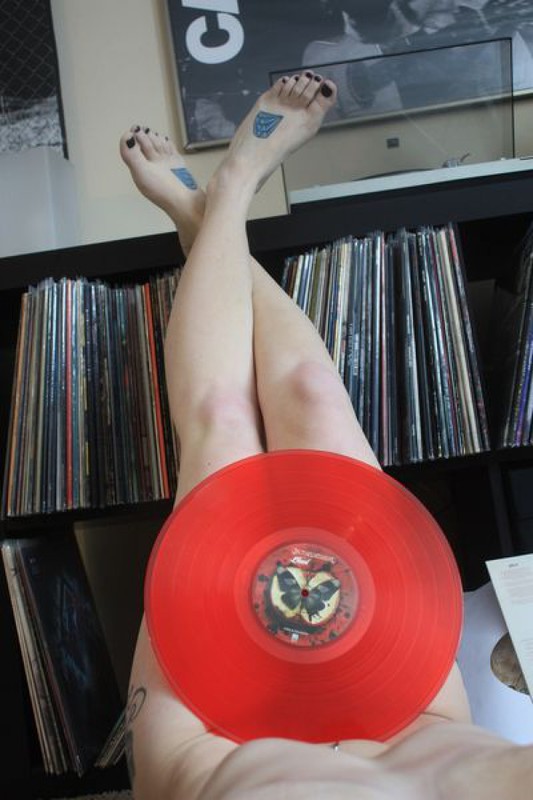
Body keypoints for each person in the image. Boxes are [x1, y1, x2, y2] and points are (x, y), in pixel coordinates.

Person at [119, 72, 532, 799]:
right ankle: (217, 203)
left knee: (222, 421)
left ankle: (217, 202)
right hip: (418, 713)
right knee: (312, 393)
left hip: (217, 741)